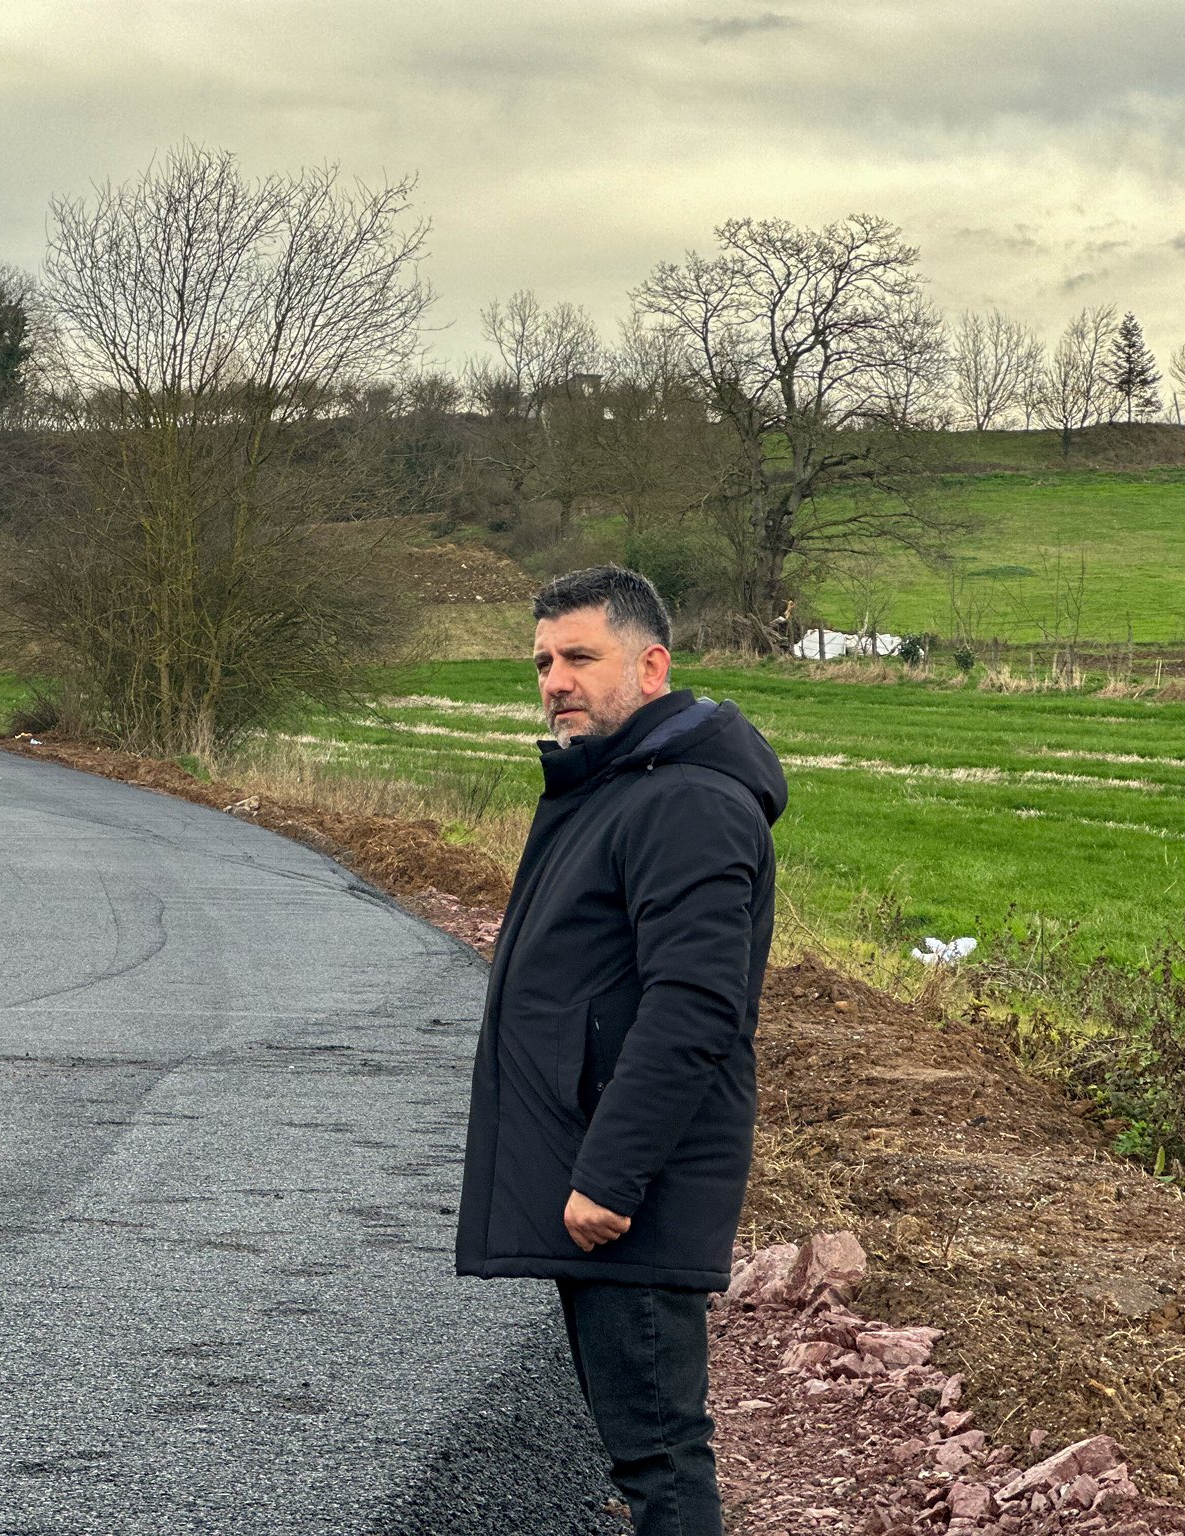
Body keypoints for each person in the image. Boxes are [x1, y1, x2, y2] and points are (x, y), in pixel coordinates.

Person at [456, 566, 786, 1536]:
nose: (554, 679)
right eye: (542, 662)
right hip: (603, 1176)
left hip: (629, 1191)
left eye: (578, 657)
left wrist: (609, 1176)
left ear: (650, 666)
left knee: (657, 1456)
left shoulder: (682, 804)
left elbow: (695, 1007)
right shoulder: (613, 788)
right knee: (638, 1446)